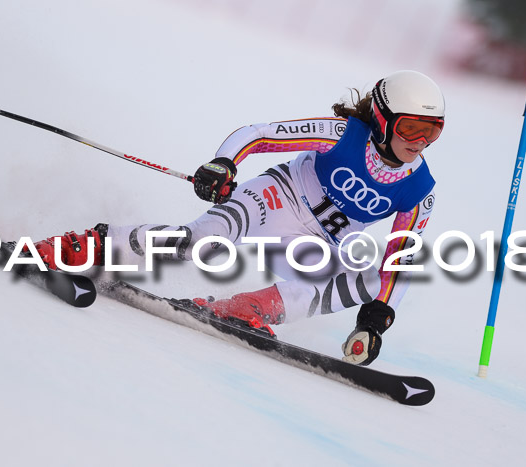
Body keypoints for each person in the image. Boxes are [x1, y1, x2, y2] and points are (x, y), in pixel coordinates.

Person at [28, 70, 445, 366]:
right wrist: (225, 164)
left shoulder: (418, 189)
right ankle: (88, 246)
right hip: (277, 199)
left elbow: (400, 263)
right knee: (203, 242)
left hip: (314, 245)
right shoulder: (343, 133)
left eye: (433, 131)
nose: (421, 142)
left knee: (377, 276)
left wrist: (375, 320)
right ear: (382, 118)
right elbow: (259, 134)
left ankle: (249, 307)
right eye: (412, 128)